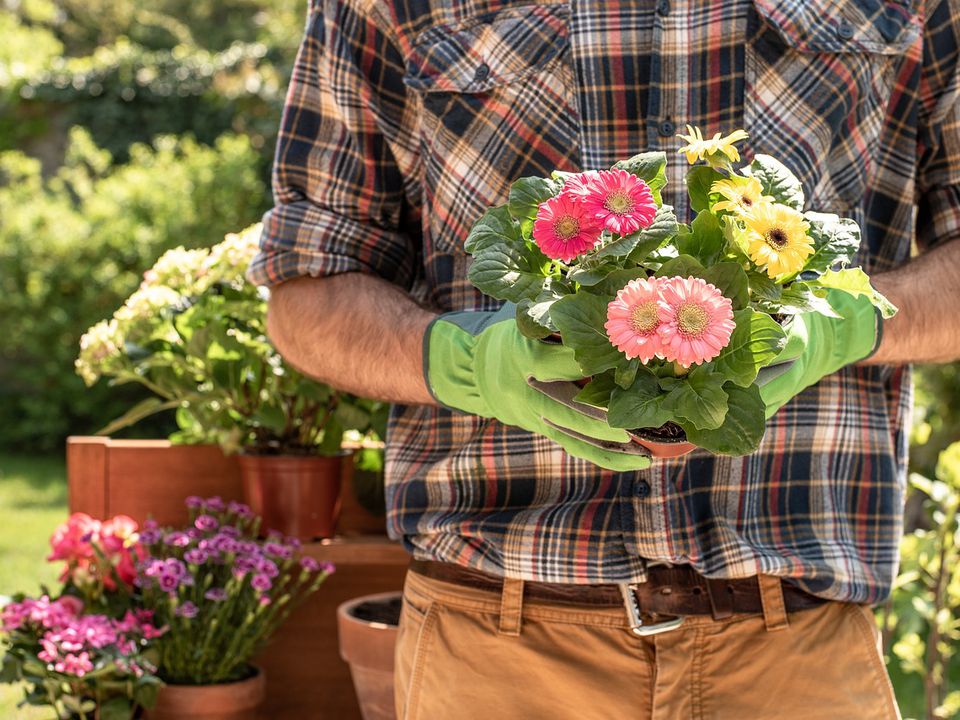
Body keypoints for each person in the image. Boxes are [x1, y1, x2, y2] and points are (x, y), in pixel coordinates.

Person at [248, 1, 960, 717]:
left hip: (796, 655)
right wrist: (459, 359)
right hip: (498, 651)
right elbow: (308, 285)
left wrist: (851, 320)